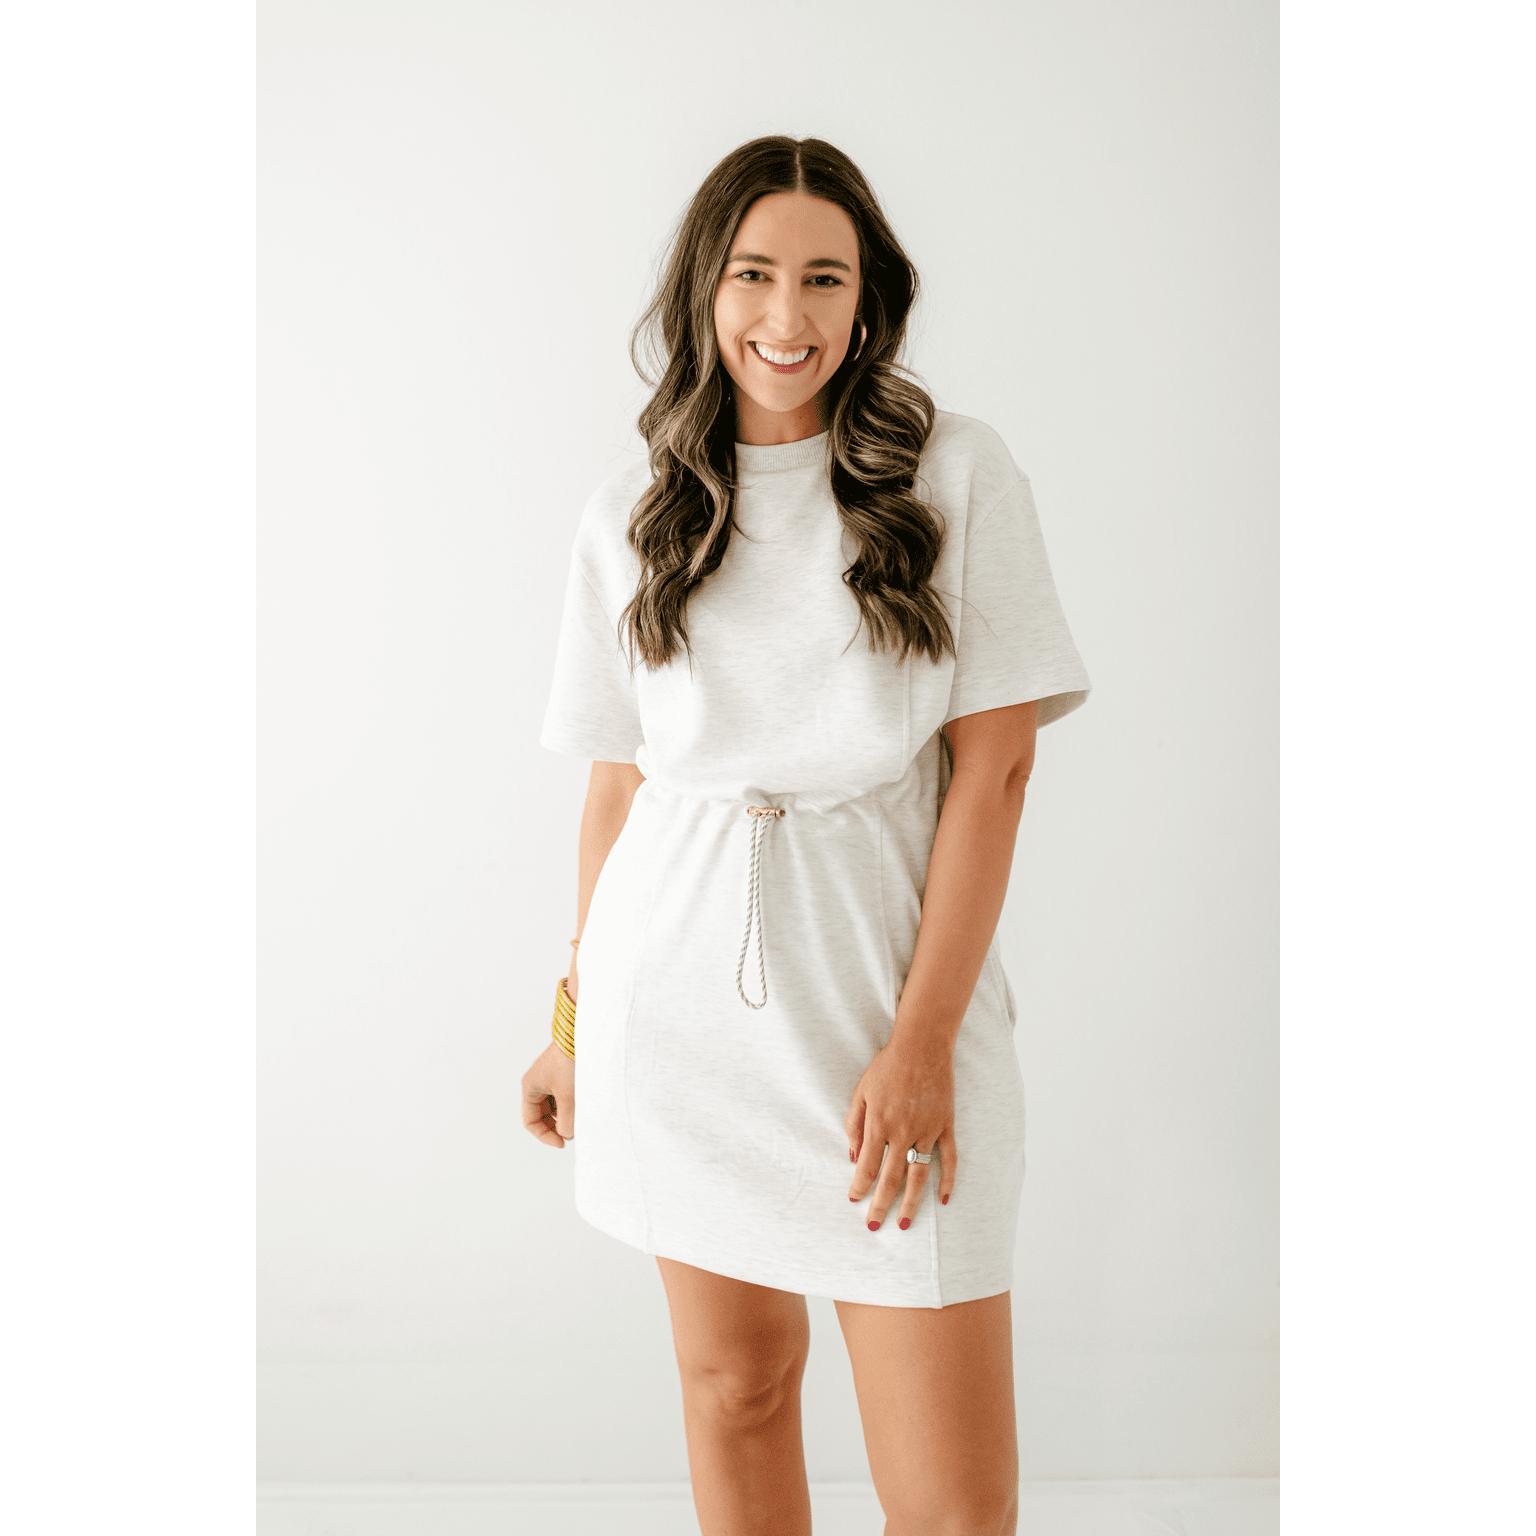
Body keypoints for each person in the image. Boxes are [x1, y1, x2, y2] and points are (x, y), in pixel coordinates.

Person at [522, 136, 1090, 1536]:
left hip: (881, 1011)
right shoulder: (632, 516)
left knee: (953, 1509)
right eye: (754, 275)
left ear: (869, 294)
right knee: (738, 1393)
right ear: (703, 291)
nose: (788, 316)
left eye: (825, 278)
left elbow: (997, 771)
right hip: (673, 1024)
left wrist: (922, 1046)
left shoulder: (953, 473)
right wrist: (573, 1025)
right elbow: (616, 794)